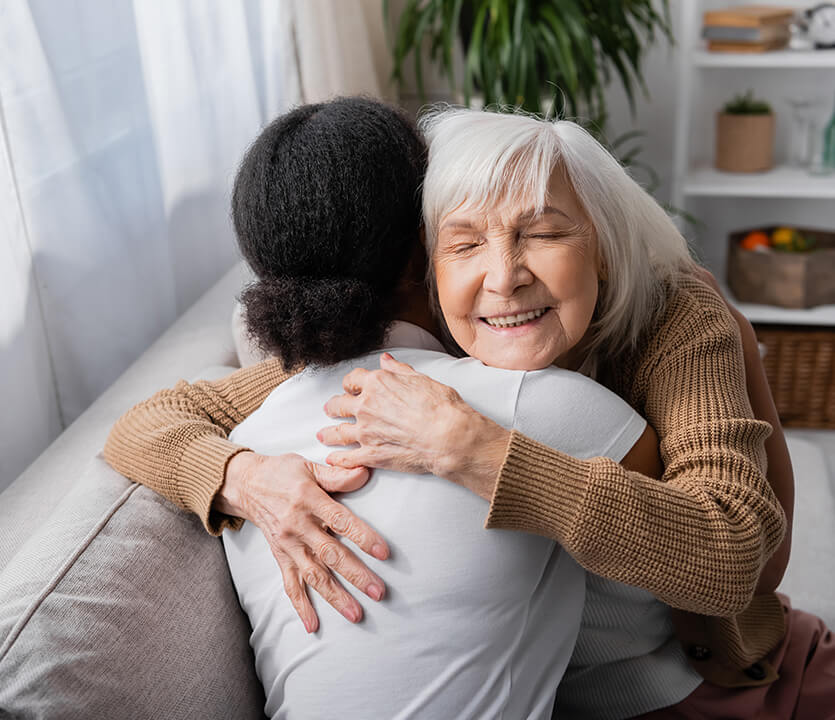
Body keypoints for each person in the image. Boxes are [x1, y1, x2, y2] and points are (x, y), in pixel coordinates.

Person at [102, 104, 828, 717]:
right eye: (465, 243)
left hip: (732, 688)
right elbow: (150, 423)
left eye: (543, 232)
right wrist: (245, 476)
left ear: (602, 247)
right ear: (424, 266)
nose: (503, 276)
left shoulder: (670, 319)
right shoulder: (436, 337)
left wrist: (478, 452)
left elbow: (741, 558)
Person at [194, 96, 657, 719]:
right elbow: (684, 581)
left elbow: (150, 419)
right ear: (425, 249)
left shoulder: (250, 440)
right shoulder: (549, 407)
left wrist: (235, 474)